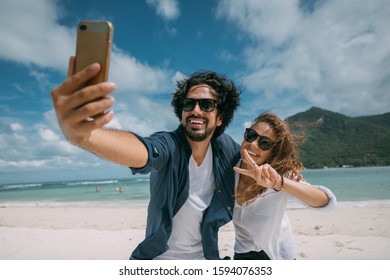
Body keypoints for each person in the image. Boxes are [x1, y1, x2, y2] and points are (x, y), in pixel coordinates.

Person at [50, 57, 242, 259]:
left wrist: (278, 181)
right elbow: (144, 151)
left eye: (206, 105)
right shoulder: (170, 144)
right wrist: (86, 136)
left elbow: (259, 159)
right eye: (189, 103)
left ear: (220, 118)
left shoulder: (225, 149)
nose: (196, 110)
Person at [232, 112, 336, 260]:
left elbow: (327, 202)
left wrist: (279, 183)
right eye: (251, 135)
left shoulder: (280, 174)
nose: (253, 144)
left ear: (273, 151)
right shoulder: (230, 167)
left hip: (277, 253)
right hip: (242, 252)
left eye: (265, 143)